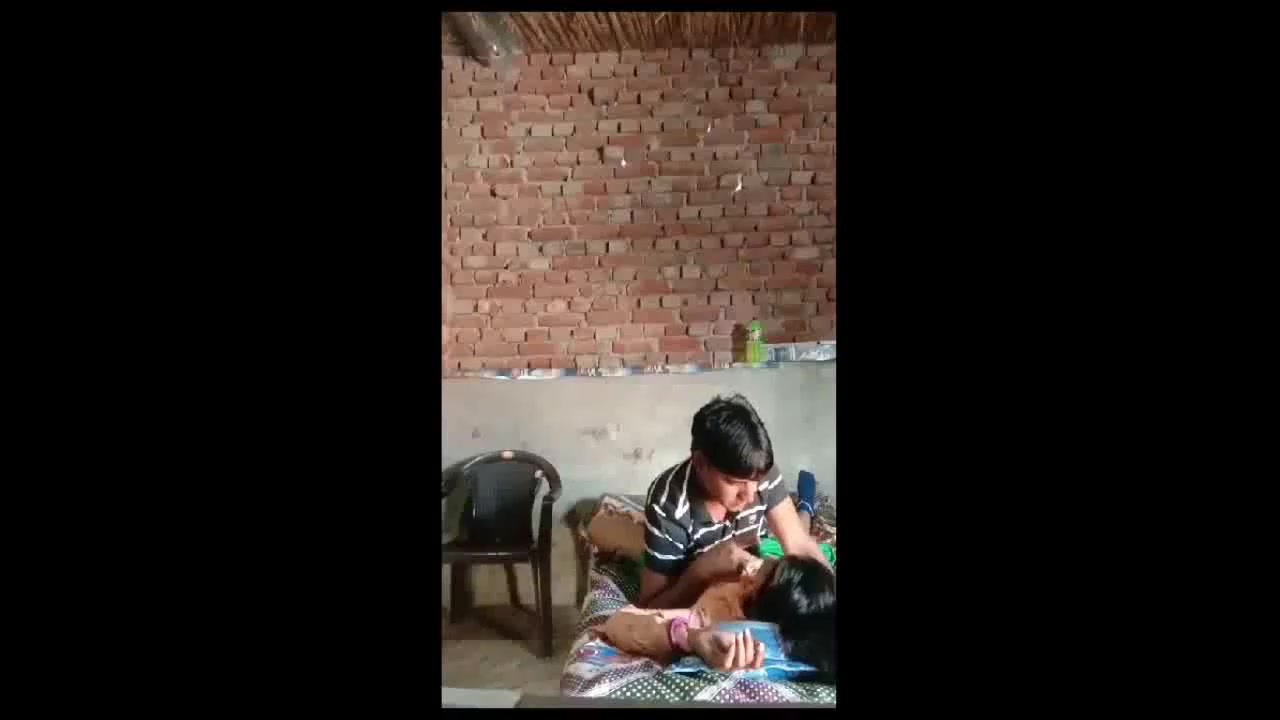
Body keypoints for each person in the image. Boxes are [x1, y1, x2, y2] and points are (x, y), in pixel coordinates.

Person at [638, 394, 830, 609]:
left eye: (755, 482)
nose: (750, 496)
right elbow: (649, 608)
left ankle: (806, 505)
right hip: (693, 592)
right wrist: (702, 570)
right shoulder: (669, 505)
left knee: (802, 536)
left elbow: (799, 545)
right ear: (700, 463)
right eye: (735, 482)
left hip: (746, 576)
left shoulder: (759, 472)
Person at [602, 554, 836, 678]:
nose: (747, 574)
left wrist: (691, 638)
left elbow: (617, 624)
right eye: (770, 565)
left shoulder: (716, 617)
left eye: (749, 586)